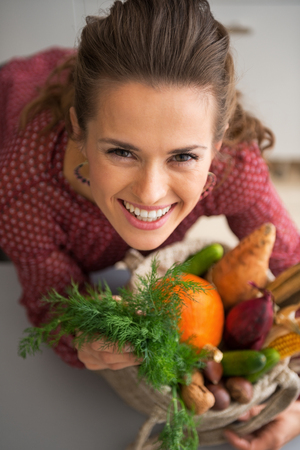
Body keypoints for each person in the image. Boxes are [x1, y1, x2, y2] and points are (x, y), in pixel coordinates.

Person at [0, 0, 299, 448]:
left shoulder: (236, 164)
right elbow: (53, 303)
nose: (150, 193)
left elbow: (293, 266)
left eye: (183, 156)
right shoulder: (24, 190)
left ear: (217, 146)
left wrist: (295, 403)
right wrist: (84, 334)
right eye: (121, 151)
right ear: (79, 130)